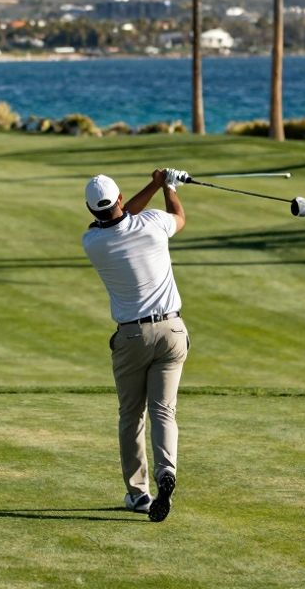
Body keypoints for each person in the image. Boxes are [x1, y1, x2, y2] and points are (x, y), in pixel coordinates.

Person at [81, 168, 190, 523]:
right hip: (172, 331)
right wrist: (168, 187)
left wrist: (156, 184)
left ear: (89, 210)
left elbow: (119, 216)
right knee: (164, 411)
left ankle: (139, 494)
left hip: (131, 337)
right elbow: (179, 217)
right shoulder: (154, 224)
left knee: (132, 415)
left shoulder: (93, 242)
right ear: (121, 200)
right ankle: (166, 473)